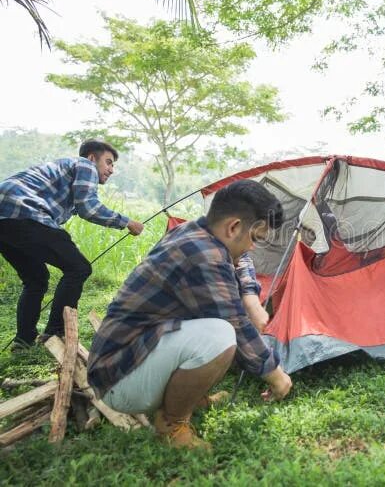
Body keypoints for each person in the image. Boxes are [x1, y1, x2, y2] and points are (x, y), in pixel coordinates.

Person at [88, 179, 292, 449]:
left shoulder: (196, 232)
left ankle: (190, 397)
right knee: (222, 334)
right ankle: (171, 424)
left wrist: (251, 298)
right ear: (233, 227)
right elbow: (239, 327)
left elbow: (241, 259)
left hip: (128, 358)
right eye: (254, 238)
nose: (252, 248)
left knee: (217, 327)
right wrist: (277, 376)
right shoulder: (203, 255)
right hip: (120, 380)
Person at [0, 139, 144, 350]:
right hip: (25, 210)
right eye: (109, 162)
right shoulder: (85, 165)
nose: (111, 170)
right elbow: (89, 207)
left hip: (6, 219)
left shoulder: (64, 174)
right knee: (78, 268)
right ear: (92, 158)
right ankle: (55, 333)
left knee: (36, 279)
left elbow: (76, 210)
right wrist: (127, 222)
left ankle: (24, 340)